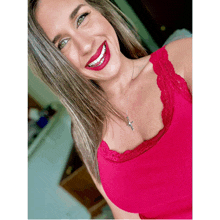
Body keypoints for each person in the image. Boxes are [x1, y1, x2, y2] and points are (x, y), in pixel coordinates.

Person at [28, 0, 192, 219]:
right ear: (56, 67)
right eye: (63, 43)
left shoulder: (186, 59)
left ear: (102, 11)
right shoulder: (86, 133)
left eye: (81, 18)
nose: (85, 45)